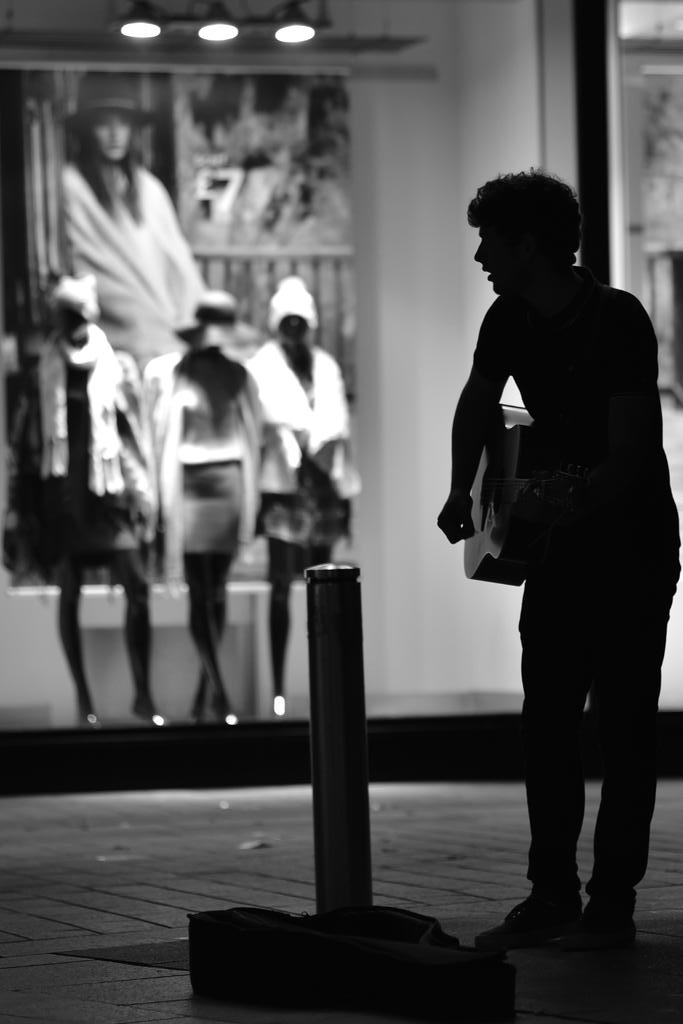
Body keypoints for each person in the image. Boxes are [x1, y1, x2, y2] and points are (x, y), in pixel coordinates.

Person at [437, 169, 680, 951]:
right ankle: (551, 892)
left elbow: (634, 449)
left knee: (623, 728)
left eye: (490, 238)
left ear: (529, 244)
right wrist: (459, 490)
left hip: (633, 544)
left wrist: (574, 497)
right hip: (560, 546)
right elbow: (478, 399)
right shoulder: (507, 317)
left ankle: (610, 896)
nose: (480, 254)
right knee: (546, 720)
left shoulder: (615, 320)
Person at [37, 274, 162, 728]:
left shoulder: (116, 364)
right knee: (69, 593)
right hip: (67, 494)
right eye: (61, 314)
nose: (65, 321)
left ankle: (144, 693)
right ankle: (84, 699)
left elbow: (131, 433)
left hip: (110, 494)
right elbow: (29, 433)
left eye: (71, 313)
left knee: (137, 587)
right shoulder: (47, 364)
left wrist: (142, 488)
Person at [144, 290, 261, 724]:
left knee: (217, 592)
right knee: (199, 590)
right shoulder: (176, 374)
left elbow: (254, 435)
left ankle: (205, 692)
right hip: (189, 488)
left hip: (227, 485)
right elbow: (163, 437)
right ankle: (219, 693)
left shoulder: (238, 376)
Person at [248, 276, 360, 716]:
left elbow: (340, 431)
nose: (294, 330)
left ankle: (325, 680)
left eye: (301, 322)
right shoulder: (262, 367)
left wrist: (346, 493)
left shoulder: (326, 367)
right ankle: (277, 688)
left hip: (324, 485)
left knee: (325, 586)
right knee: (280, 587)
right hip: (283, 486)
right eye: (287, 322)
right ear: (277, 325)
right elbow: (267, 422)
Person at [62, 71, 206, 369]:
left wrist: (189, 316)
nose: (115, 133)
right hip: (118, 327)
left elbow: (177, 262)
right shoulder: (72, 185)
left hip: (169, 319)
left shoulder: (149, 187)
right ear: (88, 129)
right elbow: (87, 260)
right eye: (104, 123)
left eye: (123, 123)